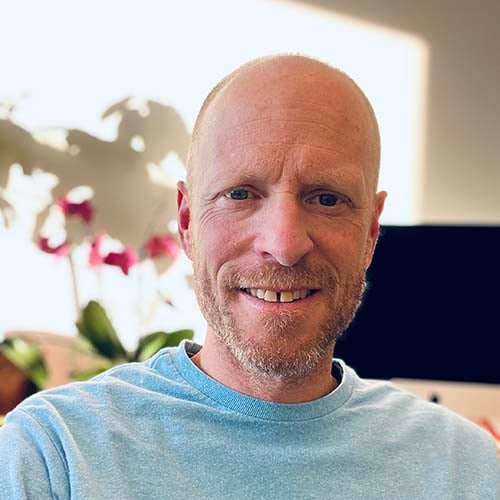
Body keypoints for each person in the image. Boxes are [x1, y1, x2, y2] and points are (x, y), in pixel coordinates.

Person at [1, 55, 499, 500]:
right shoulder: (51, 457)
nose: (283, 246)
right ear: (187, 222)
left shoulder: (467, 470)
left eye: (326, 198)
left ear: (370, 232)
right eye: (240, 194)